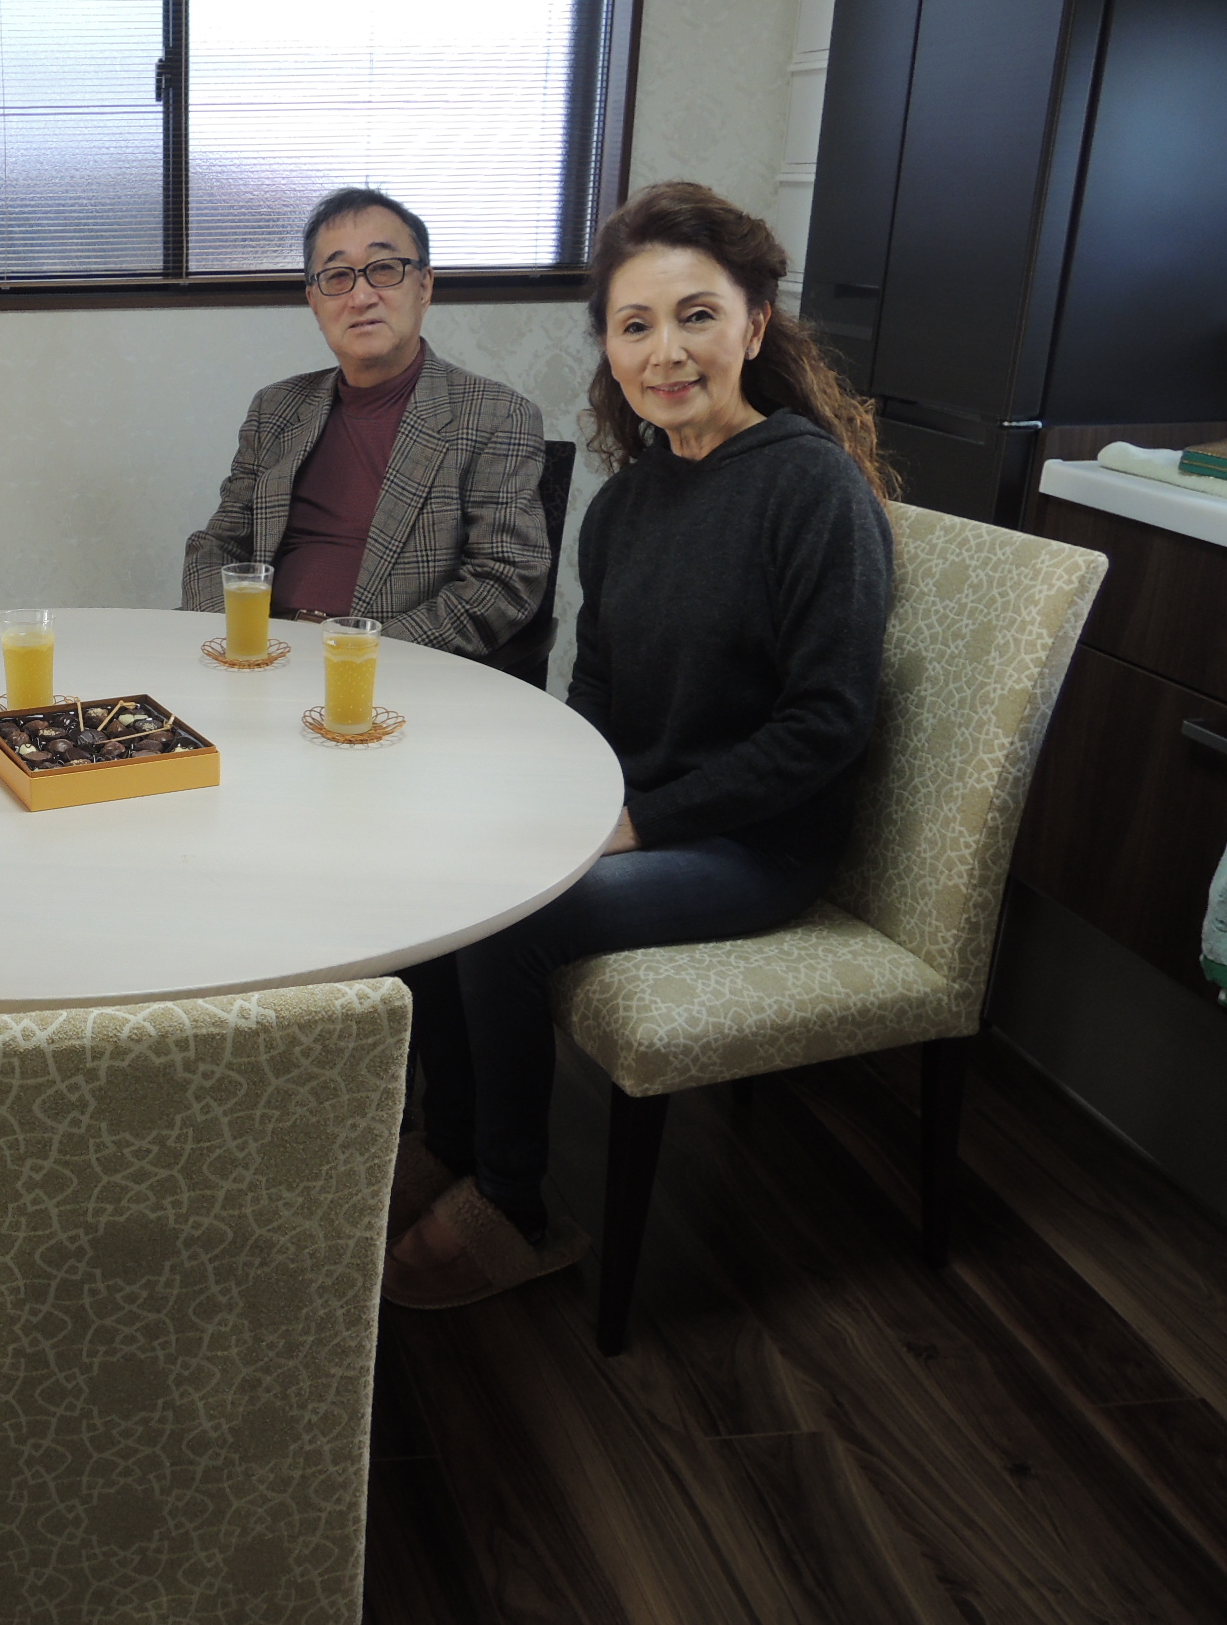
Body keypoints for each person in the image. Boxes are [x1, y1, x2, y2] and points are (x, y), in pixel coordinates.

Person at [383, 181, 899, 1309]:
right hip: (645, 815)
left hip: (758, 845)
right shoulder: (625, 506)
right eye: (635, 325)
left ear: (753, 327)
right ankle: (453, 1140)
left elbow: (825, 724)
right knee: (436, 867)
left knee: (510, 925)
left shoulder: (811, 488)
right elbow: (601, 694)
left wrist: (636, 821)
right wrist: (550, 800)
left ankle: (514, 1204)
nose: (666, 351)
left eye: (696, 315)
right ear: (610, 350)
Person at [180, 188, 550, 659]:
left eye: (384, 269)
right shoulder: (276, 408)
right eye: (337, 276)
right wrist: (233, 637)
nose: (360, 296)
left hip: (384, 667)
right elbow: (218, 545)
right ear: (314, 301)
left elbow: (503, 579)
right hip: (256, 655)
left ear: (424, 286)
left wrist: (356, 653)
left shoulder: (496, 415)